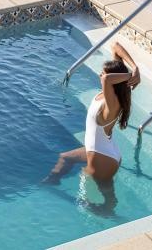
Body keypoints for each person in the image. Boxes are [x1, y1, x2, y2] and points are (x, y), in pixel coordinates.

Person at [45, 42, 140, 213]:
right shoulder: (112, 93)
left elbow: (106, 79)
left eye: (104, 73)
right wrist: (135, 69)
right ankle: (51, 182)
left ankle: (110, 213)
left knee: (90, 203)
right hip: (103, 150)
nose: (100, 74)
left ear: (114, 81)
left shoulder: (112, 104)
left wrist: (129, 76)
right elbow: (116, 46)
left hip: (102, 158)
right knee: (66, 157)